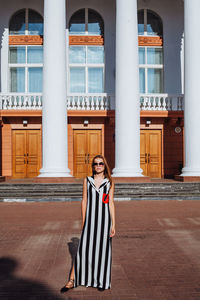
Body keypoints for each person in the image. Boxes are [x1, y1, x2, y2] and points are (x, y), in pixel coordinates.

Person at [60, 154, 115, 293]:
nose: (98, 166)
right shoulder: (87, 180)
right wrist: (84, 220)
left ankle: (101, 280)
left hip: (104, 221)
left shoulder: (109, 182)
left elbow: (110, 203)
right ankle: (72, 280)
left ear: (105, 165)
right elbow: (84, 200)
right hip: (90, 220)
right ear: (92, 166)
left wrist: (113, 224)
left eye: (101, 163)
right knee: (83, 250)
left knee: (103, 251)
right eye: (95, 164)